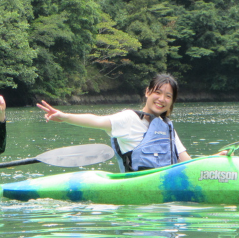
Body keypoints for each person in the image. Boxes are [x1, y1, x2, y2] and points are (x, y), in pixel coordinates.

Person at [37, 73, 191, 172]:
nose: (162, 99)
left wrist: (213, 161)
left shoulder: (167, 128)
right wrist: (65, 117)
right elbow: (97, 120)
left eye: (168, 96)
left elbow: (187, 163)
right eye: (157, 92)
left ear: (172, 101)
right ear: (147, 92)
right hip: (138, 190)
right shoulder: (129, 119)